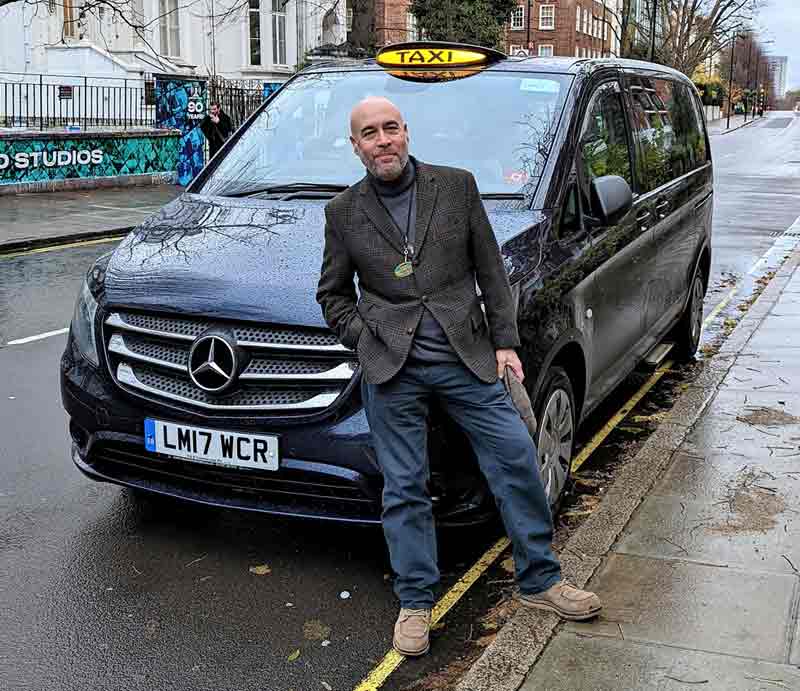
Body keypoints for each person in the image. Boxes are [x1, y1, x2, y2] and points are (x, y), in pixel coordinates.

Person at [316, 96, 602, 657]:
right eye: (369, 134)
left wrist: (505, 342)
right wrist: (365, 338)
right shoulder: (343, 212)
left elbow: (491, 271)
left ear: (406, 132)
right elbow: (332, 295)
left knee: (517, 458)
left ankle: (541, 580)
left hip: (464, 357)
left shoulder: (457, 186)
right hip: (391, 368)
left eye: (390, 128)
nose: (383, 141)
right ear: (356, 147)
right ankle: (416, 602)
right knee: (404, 488)